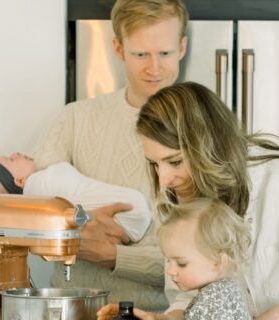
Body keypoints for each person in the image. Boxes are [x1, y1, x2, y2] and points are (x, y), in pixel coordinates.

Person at [97, 82, 279, 320]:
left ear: (209, 147)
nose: (164, 180)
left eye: (174, 161)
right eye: (155, 164)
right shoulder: (184, 205)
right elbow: (190, 292)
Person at [32, 0, 189, 311]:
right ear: (118, 48)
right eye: (141, 54)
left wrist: (115, 256)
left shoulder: (205, 132)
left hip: (159, 315)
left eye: (165, 53)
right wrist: (78, 227)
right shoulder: (74, 120)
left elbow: (217, 261)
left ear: (182, 47)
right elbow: (31, 218)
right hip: (73, 310)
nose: (154, 68)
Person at [0, 152, 151, 242]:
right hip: (131, 211)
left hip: (130, 221)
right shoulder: (41, 184)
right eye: (11, 159)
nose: (16, 153)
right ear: (21, 181)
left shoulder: (36, 207)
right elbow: (63, 175)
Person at [158, 198, 252, 320]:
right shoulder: (226, 290)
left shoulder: (210, 304)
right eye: (168, 261)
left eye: (181, 263)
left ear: (217, 262)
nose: (170, 271)